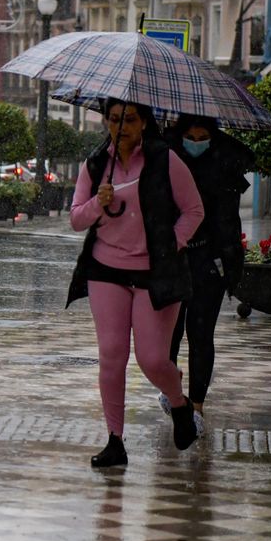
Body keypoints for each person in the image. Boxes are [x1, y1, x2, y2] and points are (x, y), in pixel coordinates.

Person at [68, 99, 204, 468]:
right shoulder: (96, 164)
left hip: (155, 272)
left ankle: (179, 403)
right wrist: (98, 202)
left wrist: (170, 244)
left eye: (129, 119)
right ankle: (115, 440)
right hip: (105, 270)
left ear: (144, 122)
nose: (121, 126)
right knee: (112, 356)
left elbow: (194, 210)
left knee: (153, 358)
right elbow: (77, 220)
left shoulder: (165, 160)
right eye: (114, 119)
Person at [161, 114, 253, 431]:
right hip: (172, 260)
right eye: (191, 137)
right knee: (167, 334)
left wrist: (231, 266)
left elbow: (230, 222)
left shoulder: (225, 165)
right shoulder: (163, 161)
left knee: (201, 335)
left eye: (203, 138)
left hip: (207, 261)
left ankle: (197, 406)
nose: (197, 143)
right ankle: (171, 388)